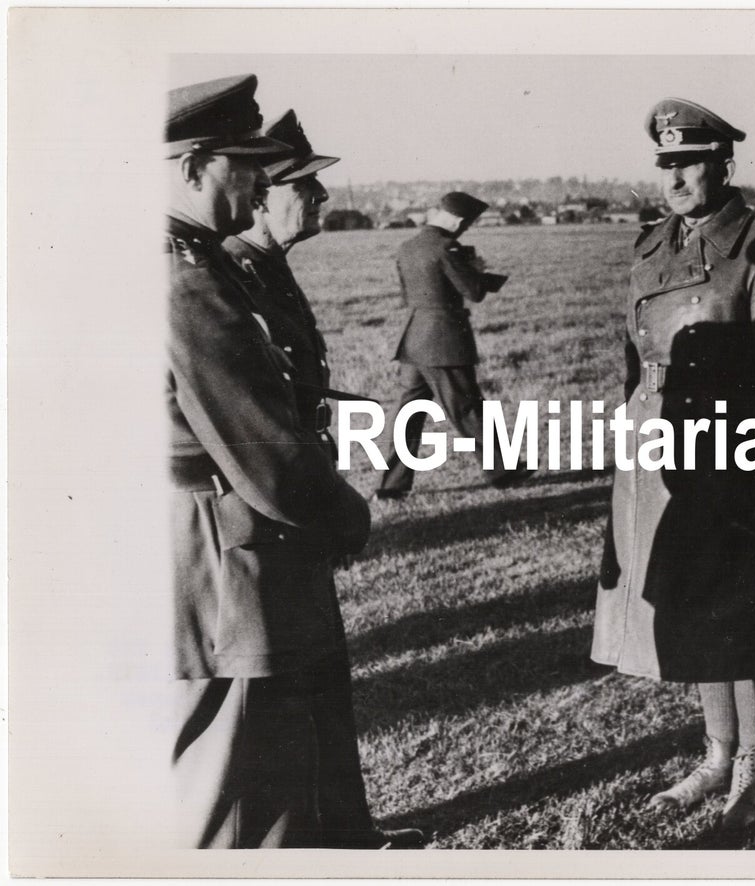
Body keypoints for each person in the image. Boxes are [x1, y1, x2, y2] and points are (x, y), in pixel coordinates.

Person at [165, 75, 397, 850]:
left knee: (271, 774)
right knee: (243, 798)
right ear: (196, 166)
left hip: (228, 554)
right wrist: (345, 511)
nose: (264, 180)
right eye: (247, 164)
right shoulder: (186, 280)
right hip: (232, 567)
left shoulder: (193, 263)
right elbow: (262, 449)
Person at [591, 98, 755, 829]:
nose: (676, 178)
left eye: (688, 162)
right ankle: (717, 755)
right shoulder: (652, 246)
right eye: (665, 164)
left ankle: (754, 767)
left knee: (739, 605)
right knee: (690, 603)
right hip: (659, 456)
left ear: (724, 163)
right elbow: (636, 362)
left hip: (733, 455)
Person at [221, 109, 424, 849]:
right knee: (289, 696)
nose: (323, 199)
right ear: (263, 192)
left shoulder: (265, 269)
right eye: (307, 186)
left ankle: (348, 834)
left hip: (299, 503)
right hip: (273, 515)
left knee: (323, 682)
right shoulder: (233, 275)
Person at [376, 192, 533, 499]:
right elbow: (473, 292)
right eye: (468, 225)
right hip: (444, 341)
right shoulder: (448, 247)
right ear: (460, 221)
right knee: (467, 407)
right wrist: (476, 267)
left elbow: (407, 295)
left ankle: (390, 487)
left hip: (413, 339)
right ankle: (502, 471)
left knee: (407, 416)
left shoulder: (408, 246)